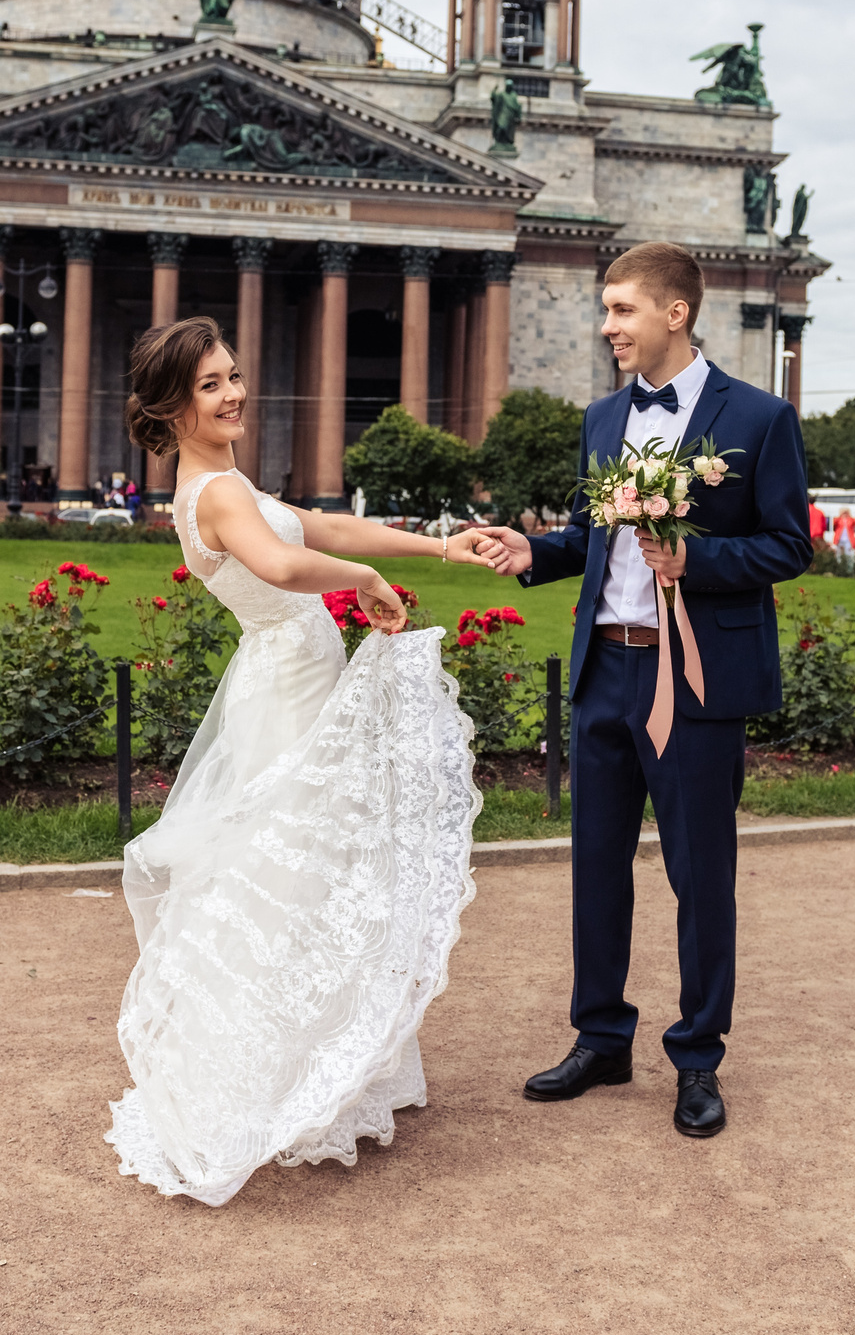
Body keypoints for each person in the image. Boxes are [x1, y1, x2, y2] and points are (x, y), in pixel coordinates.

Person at [105, 317, 500, 1207]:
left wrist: (438, 545)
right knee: (291, 877)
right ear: (172, 406)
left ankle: (326, 1062)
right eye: (211, 383)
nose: (234, 390)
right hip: (286, 689)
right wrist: (361, 584)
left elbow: (317, 522)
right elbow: (284, 563)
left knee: (318, 872)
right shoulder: (208, 491)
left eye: (234, 374)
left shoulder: (226, 479)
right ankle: (268, 1079)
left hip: (295, 674)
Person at [469, 243, 811, 1141]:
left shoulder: (761, 418)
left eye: (621, 309)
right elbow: (593, 535)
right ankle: (601, 1036)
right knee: (596, 864)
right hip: (605, 672)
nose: (608, 326)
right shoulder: (601, 417)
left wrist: (696, 558)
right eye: (605, 309)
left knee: (700, 875)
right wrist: (531, 552)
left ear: (675, 313)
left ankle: (697, 1058)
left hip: (695, 674)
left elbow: (789, 544)